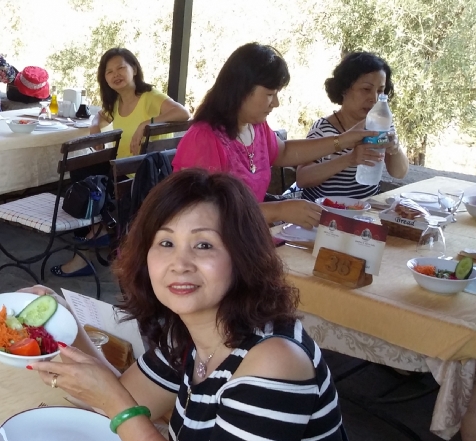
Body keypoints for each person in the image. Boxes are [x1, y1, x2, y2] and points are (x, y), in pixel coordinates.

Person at [31, 169, 351, 441]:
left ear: (243, 256)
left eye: (203, 245)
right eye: (166, 242)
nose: (180, 264)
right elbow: (114, 399)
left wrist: (116, 404)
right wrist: (64, 326)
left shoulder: (275, 362)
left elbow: (118, 405)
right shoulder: (189, 332)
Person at [172, 43, 375, 230]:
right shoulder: (203, 139)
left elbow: (284, 152)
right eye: (270, 94)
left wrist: (344, 140)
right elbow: (205, 213)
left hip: (250, 237)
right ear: (241, 90)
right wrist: (278, 211)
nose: (276, 103)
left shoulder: (255, 126)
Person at [53, 47, 190, 277]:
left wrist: (147, 123)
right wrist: (95, 126)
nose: (115, 74)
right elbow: (100, 115)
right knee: (82, 173)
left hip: (144, 178)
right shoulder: (117, 102)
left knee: (88, 186)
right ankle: (99, 231)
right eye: (109, 72)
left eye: (121, 68)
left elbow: (183, 113)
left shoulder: (150, 97)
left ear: (134, 69)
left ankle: (94, 238)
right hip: (123, 172)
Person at [297, 52, 408, 201]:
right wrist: (350, 159)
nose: (374, 98)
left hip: (366, 210)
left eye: (380, 91)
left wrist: (395, 148)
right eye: (366, 89)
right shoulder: (323, 129)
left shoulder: (381, 126)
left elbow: (399, 173)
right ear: (344, 89)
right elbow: (303, 178)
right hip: (325, 211)